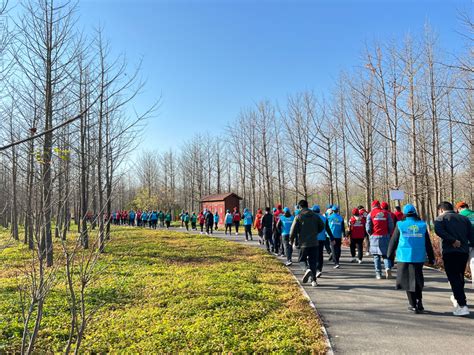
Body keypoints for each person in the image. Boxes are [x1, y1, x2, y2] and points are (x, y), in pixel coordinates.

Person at [388, 204, 435, 313]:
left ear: (404, 213)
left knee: (407, 282)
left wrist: (389, 256)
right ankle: (419, 302)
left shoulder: (400, 224)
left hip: (404, 257)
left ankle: (413, 305)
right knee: (418, 280)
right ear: (415, 213)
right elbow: (428, 243)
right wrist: (431, 257)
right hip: (418, 257)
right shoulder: (422, 225)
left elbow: (393, 241)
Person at [434, 201, 473, 316]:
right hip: (464, 252)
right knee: (460, 276)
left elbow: (438, 230)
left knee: (454, 278)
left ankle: (462, 305)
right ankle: (458, 298)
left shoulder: (441, 219)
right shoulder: (464, 219)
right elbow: (471, 235)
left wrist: (452, 240)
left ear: (441, 210)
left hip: (450, 252)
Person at [290, 200, 325, 287]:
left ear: (300, 207)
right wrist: (315, 232)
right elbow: (322, 226)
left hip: (303, 243)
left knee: (301, 260)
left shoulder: (298, 216)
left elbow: (293, 230)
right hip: (314, 242)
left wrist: (291, 240)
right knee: (313, 262)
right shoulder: (315, 216)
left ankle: (306, 269)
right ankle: (314, 281)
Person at [366, 200, 394, 280]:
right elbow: (391, 225)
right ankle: (387, 268)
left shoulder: (370, 214)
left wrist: (370, 233)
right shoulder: (387, 214)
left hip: (374, 236)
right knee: (385, 255)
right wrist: (388, 233)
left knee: (376, 256)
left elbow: (368, 227)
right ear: (379, 205)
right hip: (385, 236)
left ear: (373, 206)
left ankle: (378, 274)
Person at [456, 201, 474, 288]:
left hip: (463, 245)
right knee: (473, 265)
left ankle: (459, 288)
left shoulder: (459, 216)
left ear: (459, 209)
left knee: (460, 267)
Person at [312, 205, 334, 278]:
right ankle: (319, 270)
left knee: (313, 255)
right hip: (322, 239)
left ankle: (313, 269)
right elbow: (328, 229)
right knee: (320, 254)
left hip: (313, 239)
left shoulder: (311, 218)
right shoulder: (324, 218)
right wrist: (332, 238)